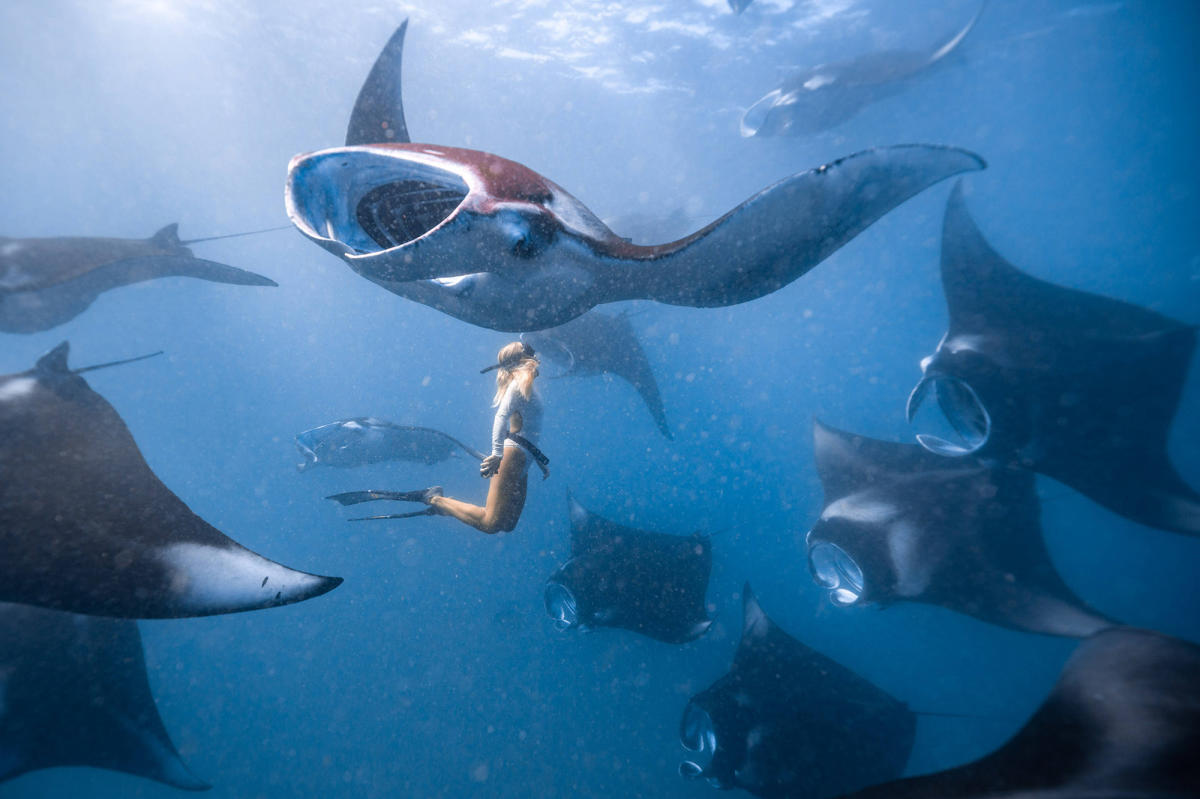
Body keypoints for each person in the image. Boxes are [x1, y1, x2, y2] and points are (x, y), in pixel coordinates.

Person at [327, 341, 547, 534]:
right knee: (490, 523)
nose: (537, 358)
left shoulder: (527, 387)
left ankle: (444, 505)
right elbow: (501, 418)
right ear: (524, 361)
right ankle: (434, 498)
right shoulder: (518, 385)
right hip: (513, 454)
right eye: (532, 354)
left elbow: (530, 428)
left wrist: (536, 459)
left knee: (508, 524)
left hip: (525, 455)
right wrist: (497, 454)